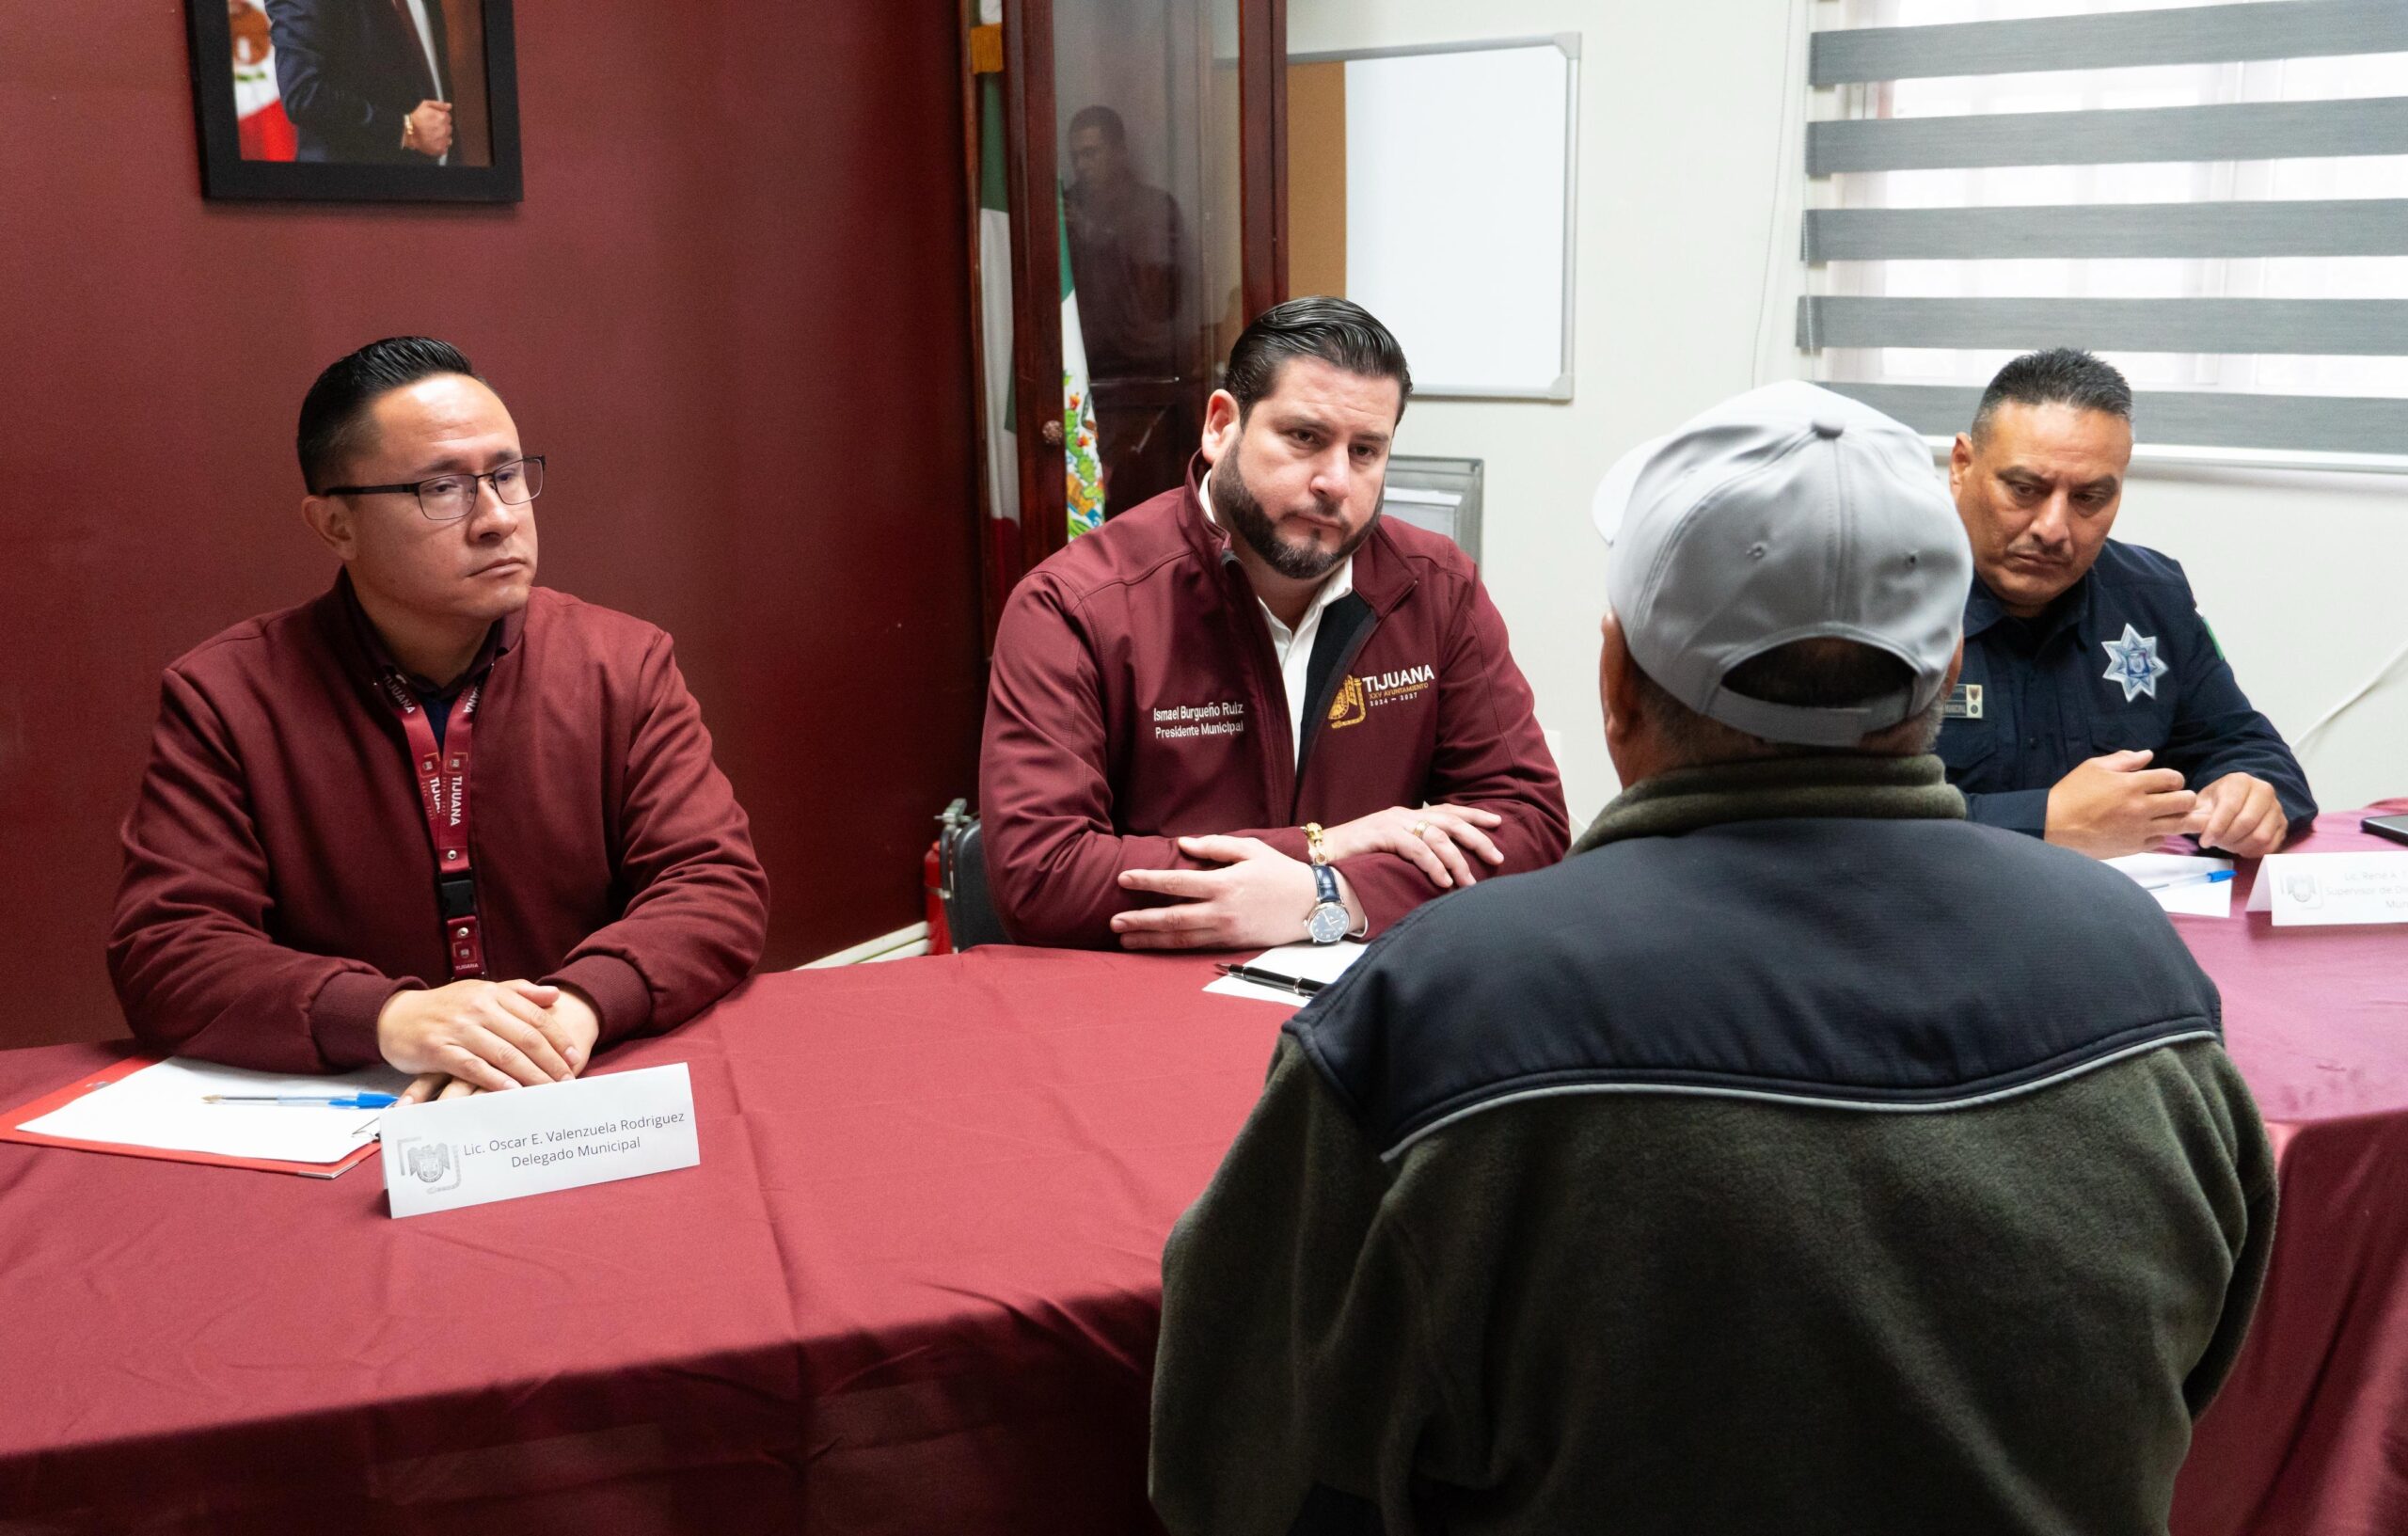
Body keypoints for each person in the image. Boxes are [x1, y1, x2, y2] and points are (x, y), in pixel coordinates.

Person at [1150, 382, 2274, 1535]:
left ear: (1615, 685)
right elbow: (2196, 1374)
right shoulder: (2146, 983)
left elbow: (1230, 1456)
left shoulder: (1445, 1004)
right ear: (1940, 678)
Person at [109, 338, 768, 1103]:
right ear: (334, 525)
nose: (495, 519)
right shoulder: (226, 697)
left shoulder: (619, 664)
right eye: (441, 489)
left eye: (507, 476)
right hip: (372, 1108)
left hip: (589, 1092)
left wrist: (579, 1009)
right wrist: (395, 1017)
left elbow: (713, 885)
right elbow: (167, 950)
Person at [979, 297, 1569, 952]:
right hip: (1152, 1009)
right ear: (1221, 426)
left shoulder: (1437, 587)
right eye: (1305, 437)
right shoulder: (1075, 605)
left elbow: (1530, 827)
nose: (1336, 482)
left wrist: (1332, 896)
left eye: (1366, 450)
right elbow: (1039, 876)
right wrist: (1320, 847)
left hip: (1365, 1000)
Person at [1941, 348, 2315, 858]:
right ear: (1962, 465)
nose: (2053, 529)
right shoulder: (1874, 601)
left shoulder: (2151, 596)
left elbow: (2241, 745)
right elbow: (1829, 815)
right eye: (2025, 489)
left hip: (2127, 915)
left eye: (2089, 498)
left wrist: (2248, 794)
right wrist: (2041, 822)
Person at [1062, 105, 1188, 379]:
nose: (1081, 166)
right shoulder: (1064, 208)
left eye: (1090, 153)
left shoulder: (1154, 207)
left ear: (1120, 153)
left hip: (1145, 368)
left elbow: (1161, 291)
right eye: (1075, 157)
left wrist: (1092, 234)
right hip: (1079, 365)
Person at [263, 0, 455, 164]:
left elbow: (431, 82)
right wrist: (405, 130)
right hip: (350, 194)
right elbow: (303, 95)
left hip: (437, 188)